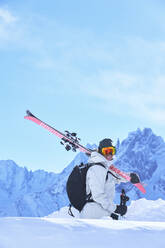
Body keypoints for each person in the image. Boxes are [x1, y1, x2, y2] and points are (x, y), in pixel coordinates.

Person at [80, 138, 139, 220]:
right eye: (106, 151)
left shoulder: (103, 167)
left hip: (100, 211)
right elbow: (98, 195)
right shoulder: (97, 169)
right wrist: (115, 209)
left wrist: (129, 177)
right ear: (101, 152)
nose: (110, 154)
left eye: (112, 151)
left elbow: (114, 177)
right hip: (94, 214)